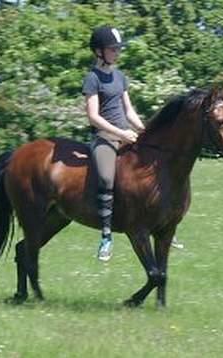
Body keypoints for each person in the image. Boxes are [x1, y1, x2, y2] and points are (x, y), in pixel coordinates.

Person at [82, 26, 144, 261]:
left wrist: (142, 130)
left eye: (118, 49)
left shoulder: (120, 76)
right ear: (99, 51)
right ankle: (106, 237)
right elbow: (94, 116)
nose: (117, 53)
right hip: (104, 138)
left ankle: (159, 219)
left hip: (126, 134)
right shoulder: (92, 78)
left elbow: (129, 110)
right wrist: (121, 133)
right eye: (112, 49)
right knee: (107, 178)